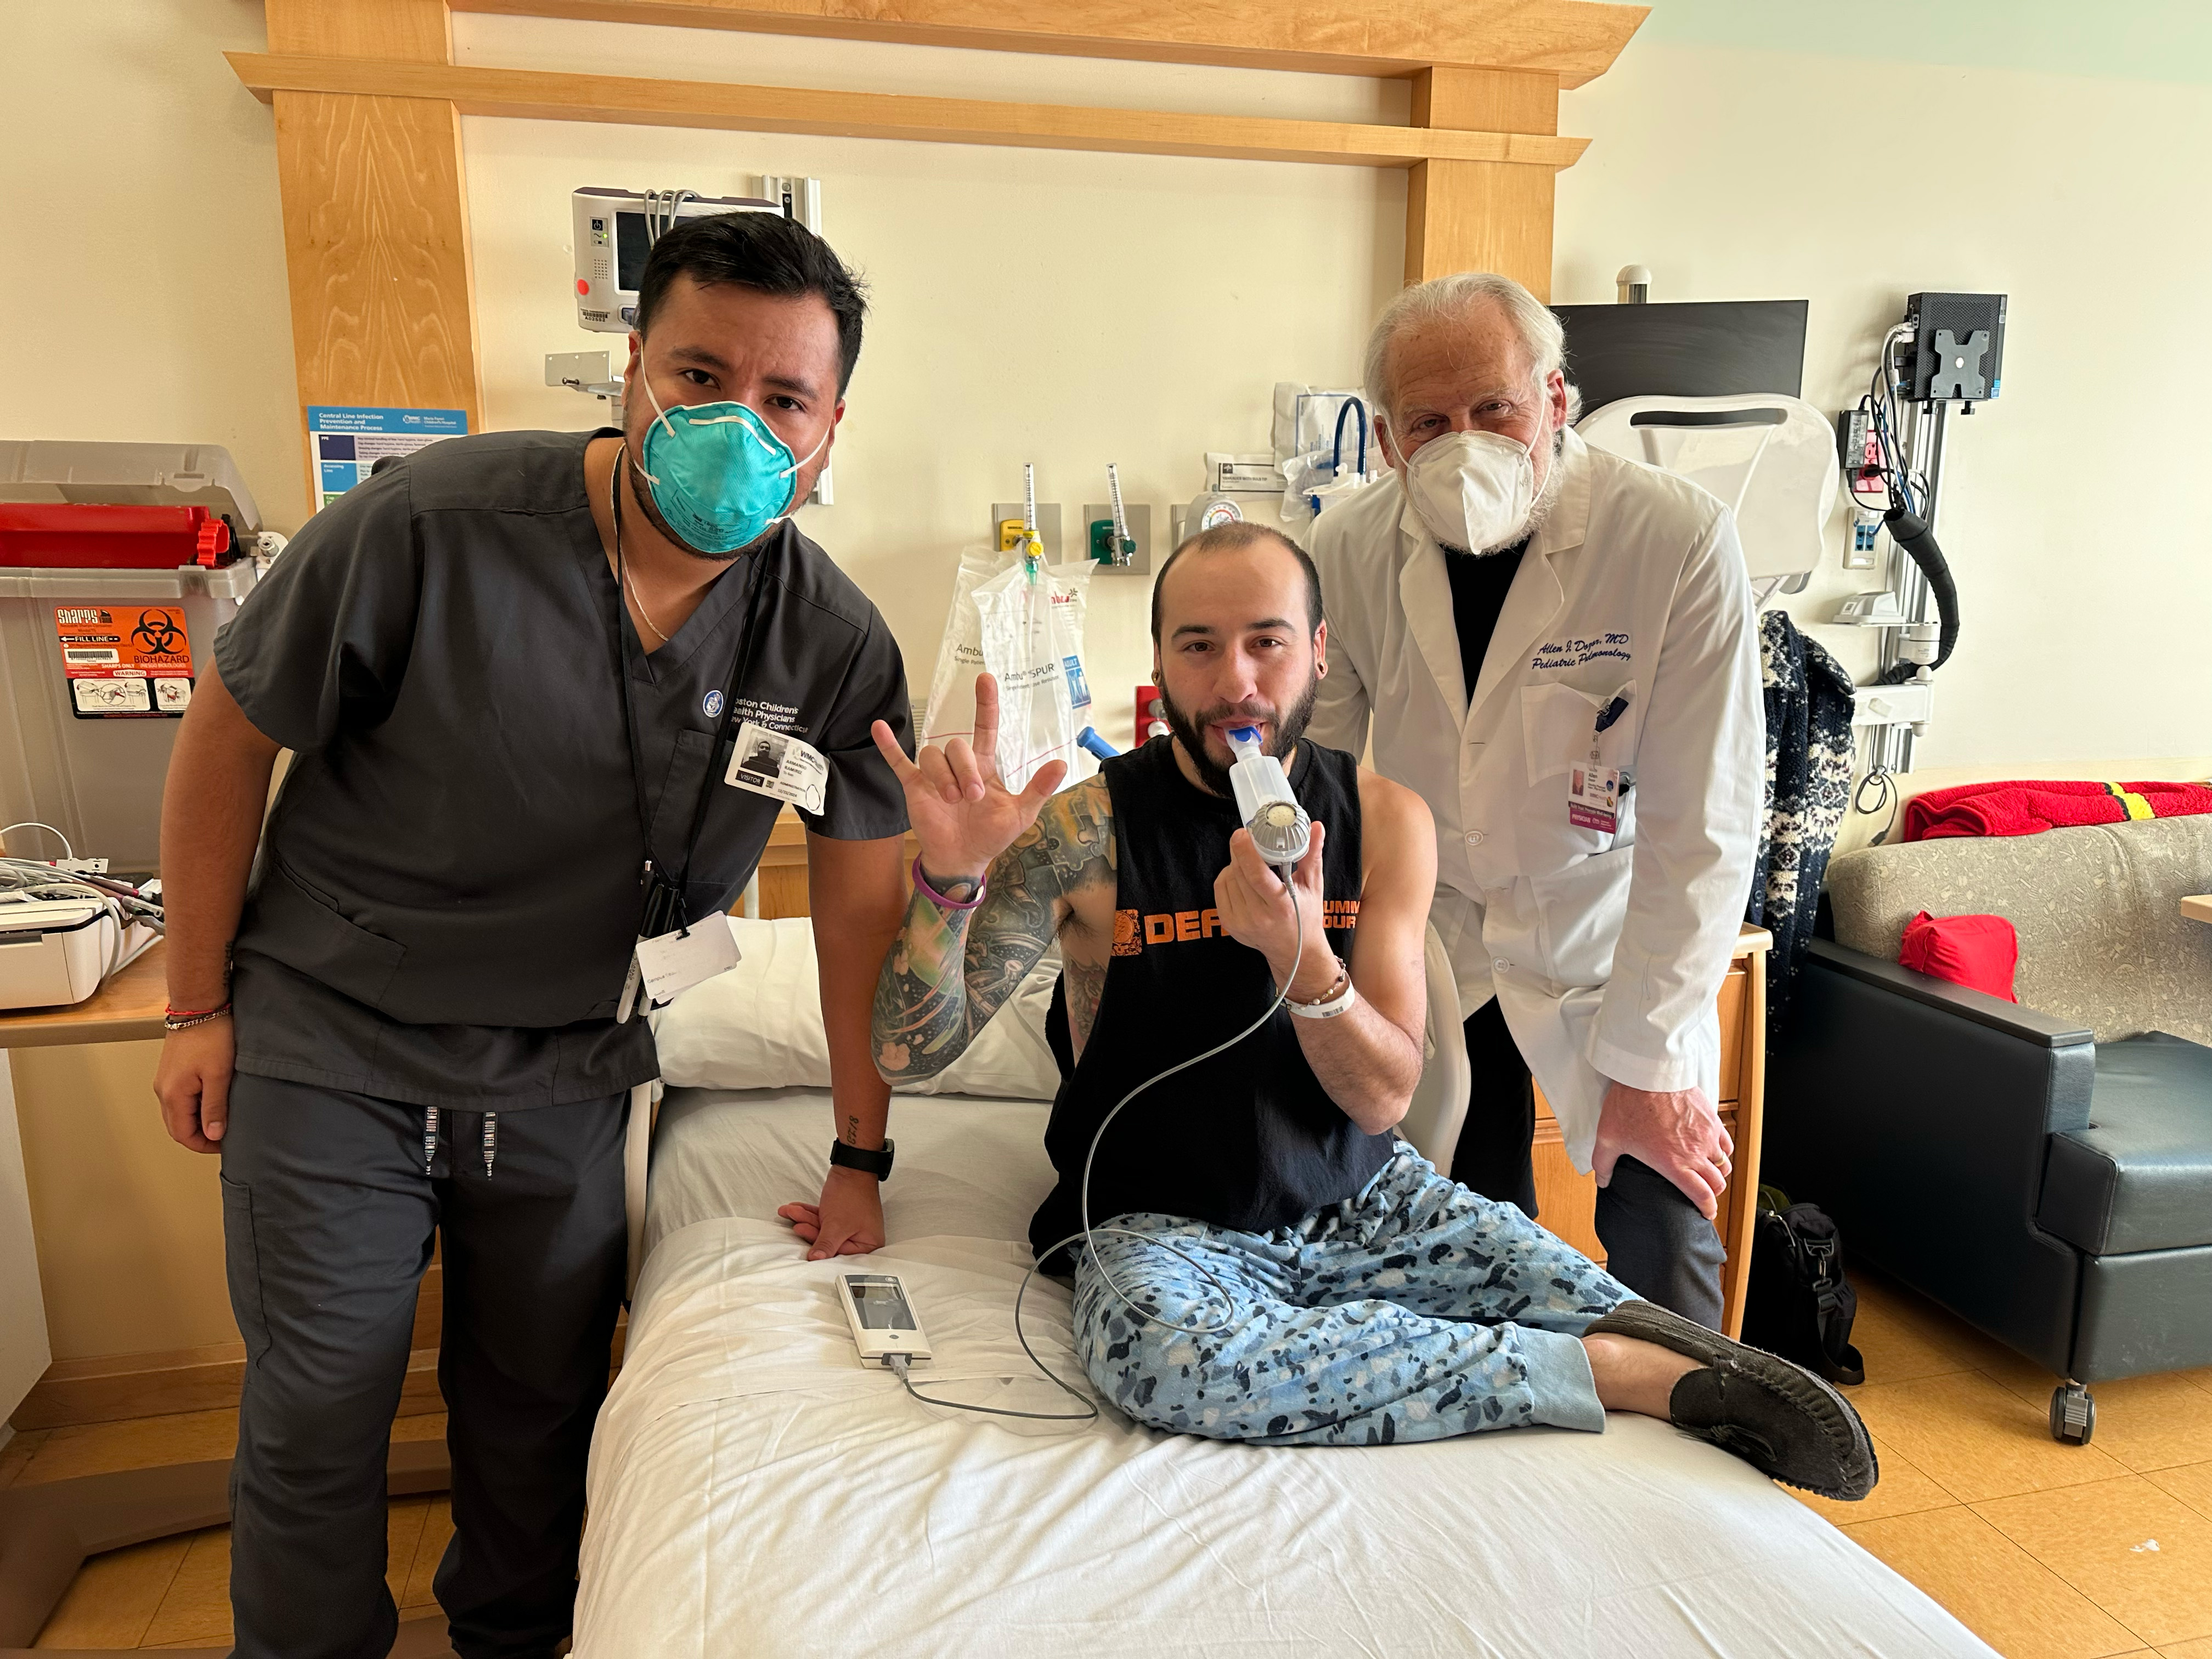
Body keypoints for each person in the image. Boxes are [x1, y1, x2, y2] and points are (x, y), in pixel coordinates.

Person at [153, 212, 912, 1659]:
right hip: (335, 1041)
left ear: (829, 433)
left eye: (782, 399)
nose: (734, 424)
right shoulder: (432, 525)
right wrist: (198, 1008)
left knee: (538, 1425)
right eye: (698, 377)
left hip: (567, 1069)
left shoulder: (828, 636)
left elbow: (861, 909)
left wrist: (859, 1150)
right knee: (323, 1409)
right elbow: (224, 739)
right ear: (631, 370)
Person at [860, 524, 1873, 1500]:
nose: (1236, 684)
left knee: (1606, 1300)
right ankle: (1596, 1376)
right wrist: (948, 881)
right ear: (1161, 665)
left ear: (1319, 653)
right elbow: (910, 1057)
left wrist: (1303, 962)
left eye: (1268, 643)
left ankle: (1646, 1357)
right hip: (1162, 1224)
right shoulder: (1088, 832)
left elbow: (1387, 1098)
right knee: (1164, 1366)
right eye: (1199, 647)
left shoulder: (1385, 819)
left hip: (1369, 1202)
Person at [1307, 272, 1764, 1329]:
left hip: (1612, 937)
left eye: (1495, 408)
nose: (1464, 443)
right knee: (1467, 1235)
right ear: (1386, 439)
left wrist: (1652, 1062)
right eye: (1429, 422)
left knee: (1664, 1227)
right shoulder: (1348, 548)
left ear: (1556, 399)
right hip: (1442, 932)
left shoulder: (1675, 540)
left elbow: (1708, 828)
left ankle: (1696, 1450)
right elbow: (1319, 784)